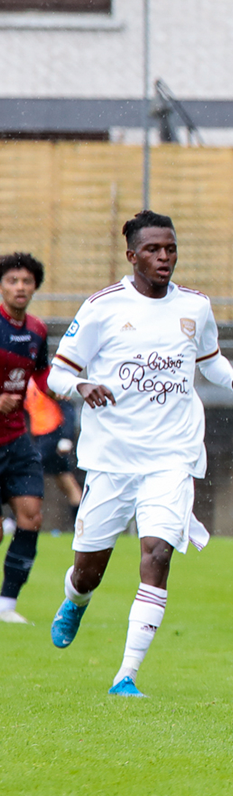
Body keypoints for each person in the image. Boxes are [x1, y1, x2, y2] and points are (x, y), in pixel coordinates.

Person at [46, 210, 233, 696]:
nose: (164, 258)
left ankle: (127, 675)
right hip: (112, 460)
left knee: (158, 552)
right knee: (88, 570)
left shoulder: (196, 306)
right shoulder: (102, 307)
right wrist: (83, 385)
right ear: (131, 256)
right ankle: (75, 601)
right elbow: (57, 373)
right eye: (153, 250)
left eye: (170, 249)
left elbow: (209, 359)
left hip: (172, 456)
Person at [0, 253, 52, 623]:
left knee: (31, 517)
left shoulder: (37, 330)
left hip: (17, 439)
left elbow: (44, 376)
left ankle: (7, 605)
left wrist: (69, 386)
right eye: (12, 280)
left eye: (26, 281)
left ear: (35, 286)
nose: (20, 287)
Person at [28, 384, 83, 517]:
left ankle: (17, 518)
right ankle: (82, 520)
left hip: (52, 437)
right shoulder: (28, 384)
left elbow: (67, 407)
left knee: (29, 476)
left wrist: (66, 437)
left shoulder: (47, 381)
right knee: (65, 481)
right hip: (40, 438)